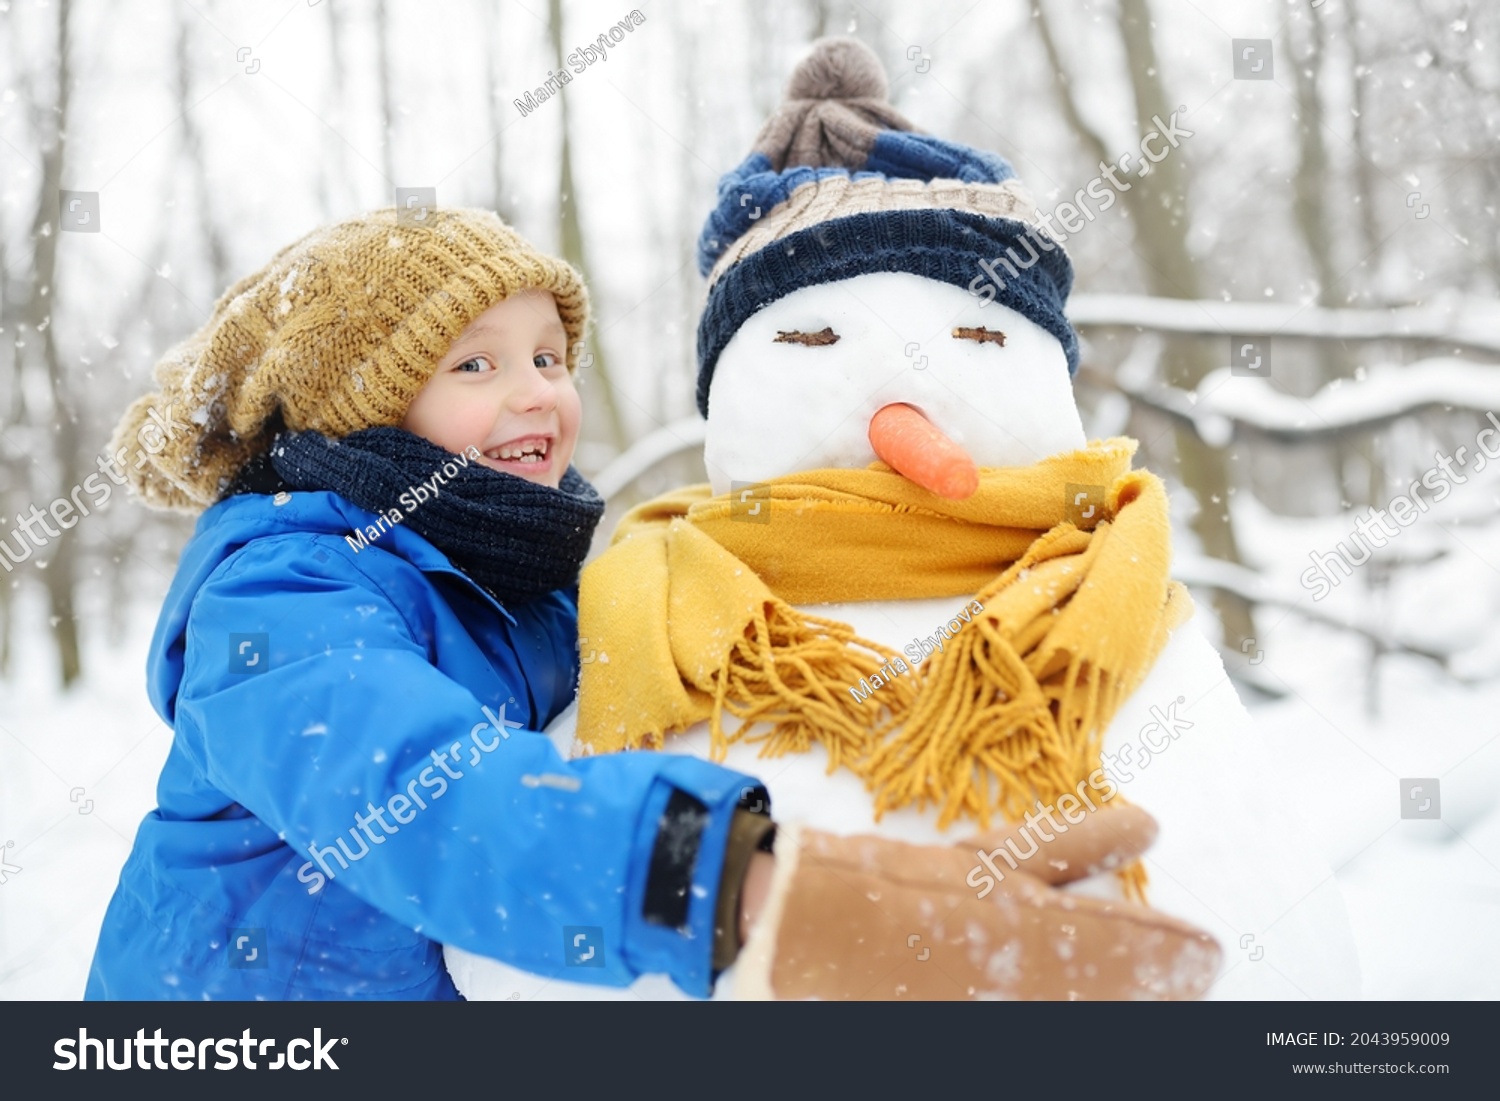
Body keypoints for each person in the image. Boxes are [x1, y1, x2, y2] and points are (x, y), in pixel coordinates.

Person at [86, 205, 1207, 1002]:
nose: (537, 392)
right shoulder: (282, 598)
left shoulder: (532, 583)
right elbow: (435, 801)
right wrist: (755, 890)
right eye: (473, 366)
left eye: (547, 354)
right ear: (362, 415)